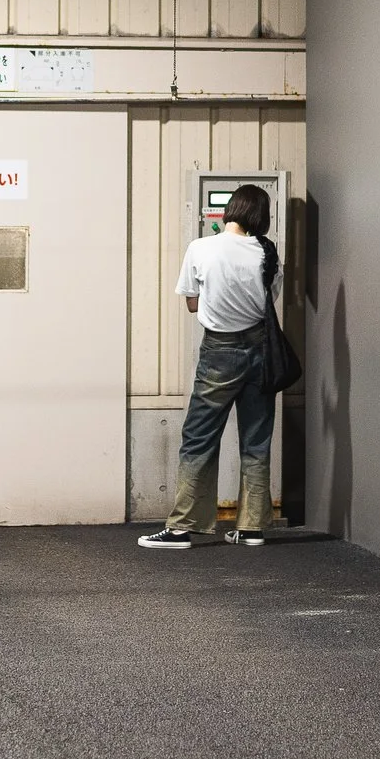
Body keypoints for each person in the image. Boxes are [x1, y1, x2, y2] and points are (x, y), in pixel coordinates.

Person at [140, 185, 278, 550]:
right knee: (256, 440)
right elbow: (268, 305)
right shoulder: (267, 253)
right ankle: (251, 529)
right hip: (262, 354)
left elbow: (190, 304)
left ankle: (183, 527)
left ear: (229, 210)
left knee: (200, 437)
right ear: (261, 216)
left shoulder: (201, 248)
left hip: (219, 351)